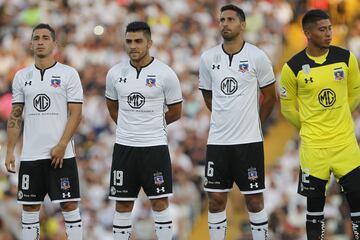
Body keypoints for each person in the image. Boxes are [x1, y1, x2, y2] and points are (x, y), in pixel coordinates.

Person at [279, 9, 360, 240]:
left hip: (345, 144)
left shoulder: (345, 58)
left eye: (330, 28)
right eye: (322, 29)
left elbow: (356, 92)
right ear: (307, 33)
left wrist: (340, 115)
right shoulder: (292, 68)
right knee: (315, 210)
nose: (328, 33)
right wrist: (307, 127)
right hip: (314, 149)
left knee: (357, 204)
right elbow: (286, 108)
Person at [199, 4, 276, 240]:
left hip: (249, 141)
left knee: (254, 200)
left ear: (242, 25)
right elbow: (207, 95)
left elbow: (270, 97)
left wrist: (255, 122)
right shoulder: (208, 57)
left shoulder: (257, 56)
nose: (225, 23)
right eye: (222, 19)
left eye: (231, 19)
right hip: (218, 141)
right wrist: (225, 118)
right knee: (215, 199)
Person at [5, 23, 83, 240]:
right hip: (31, 154)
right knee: (29, 208)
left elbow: (76, 114)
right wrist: (10, 150)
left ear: (54, 43)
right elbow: (15, 116)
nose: (40, 41)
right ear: (31, 44)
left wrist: (61, 145)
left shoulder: (69, 74)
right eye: (36, 38)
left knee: (69, 204)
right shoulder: (21, 76)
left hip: (62, 154)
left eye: (45, 37)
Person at [105, 21, 182, 240]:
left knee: (159, 201)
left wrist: (151, 124)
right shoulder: (115, 73)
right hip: (124, 148)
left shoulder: (165, 73)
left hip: (154, 147)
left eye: (138, 41)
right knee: (123, 202)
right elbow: (112, 106)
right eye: (128, 41)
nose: (133, 46)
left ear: (149, 43)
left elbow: (176, 111)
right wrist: (129, 126)